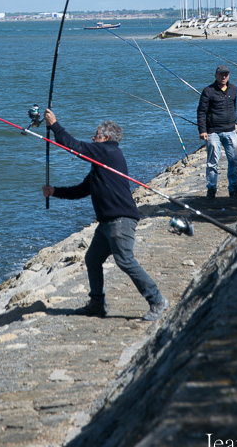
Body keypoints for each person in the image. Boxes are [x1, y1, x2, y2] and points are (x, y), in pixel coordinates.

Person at [42, 109, 167, 321]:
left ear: (106, 138)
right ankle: (97, 304)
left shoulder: (108, 152)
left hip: (120, 220)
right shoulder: (102, 164)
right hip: (107, 223)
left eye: (96, 135)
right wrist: (55, 192)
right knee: (92, 259)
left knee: (125, 261)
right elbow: (82, 190)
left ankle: (157, 300)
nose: (93, 138)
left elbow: (74, 146)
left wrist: (54, 124)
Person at [197, 65, 237, 199]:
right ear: (215, 75)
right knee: (212, 162)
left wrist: (233, 120)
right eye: (221, 74)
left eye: (226, 74)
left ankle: (233, 188)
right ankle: (211, 188)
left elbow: (234, 107)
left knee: (234, 160)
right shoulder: (208, 91)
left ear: (228, 75)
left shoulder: (234, 89)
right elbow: (201, 112)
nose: (223, 76)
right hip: (213, 132)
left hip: (230, 130)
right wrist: (203, 130)